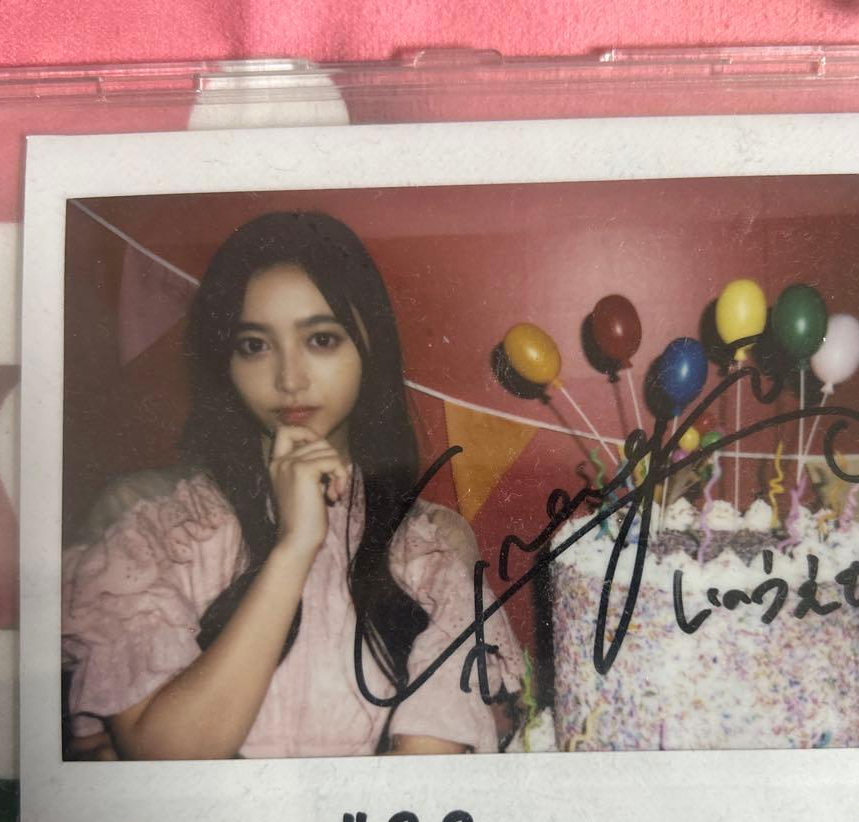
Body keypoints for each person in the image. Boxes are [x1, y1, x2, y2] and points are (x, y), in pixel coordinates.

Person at [62, 211, 523, 761]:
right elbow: (166, 756)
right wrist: (294, 546)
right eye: (254, 345)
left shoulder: (429, 543)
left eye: (321, 339)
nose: (288, 378)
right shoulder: (155, 525)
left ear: (369, 347)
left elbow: (426, 772)